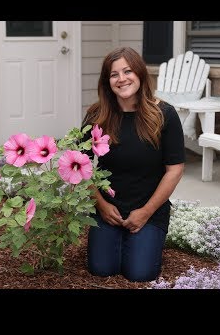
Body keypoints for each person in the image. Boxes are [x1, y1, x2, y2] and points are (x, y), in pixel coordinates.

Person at [82, 47, 185, 282]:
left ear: (139, 73)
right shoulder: (96, 116)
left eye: (127, 71)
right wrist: (101, 205)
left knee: (140, 273)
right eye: (114, 74)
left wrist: (146, 212)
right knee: (100, 269)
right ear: (107, 81)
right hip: (108, 209)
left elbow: (175, 169)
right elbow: (81, 165)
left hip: (149, 208)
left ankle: (144, 239)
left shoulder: (164, 115)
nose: (122, 79)